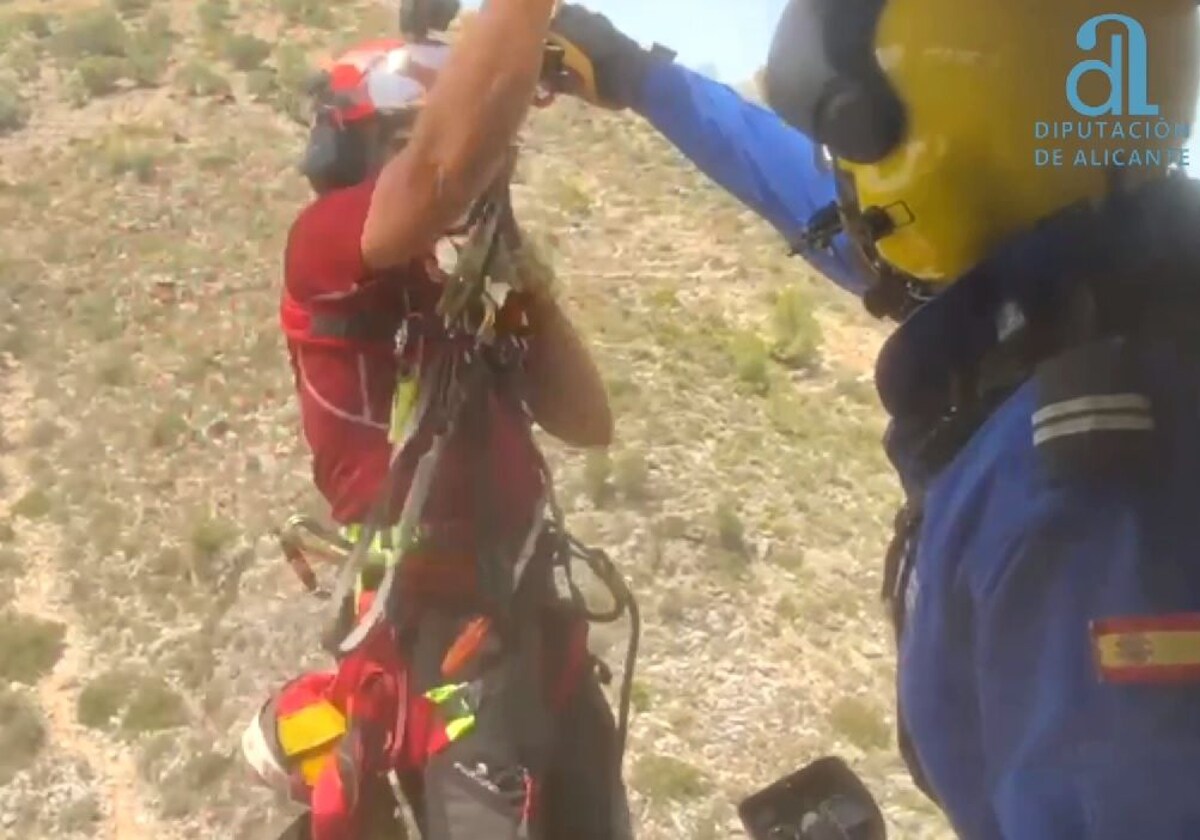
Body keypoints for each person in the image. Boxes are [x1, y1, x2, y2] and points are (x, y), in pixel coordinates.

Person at [559, 0, 1200, 838]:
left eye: (854, 145)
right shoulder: (1086, 290)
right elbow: (847, 216)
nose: (847, 186)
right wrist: (641, 77)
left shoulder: (1078, 505)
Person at [239, 14, 634, 840]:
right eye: (404, 139)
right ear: (357, 152)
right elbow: (439, 176)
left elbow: (587, 421)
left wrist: (524, 278)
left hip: (534, 627)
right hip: (443, 651)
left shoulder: (449, 289)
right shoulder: (325, 246)